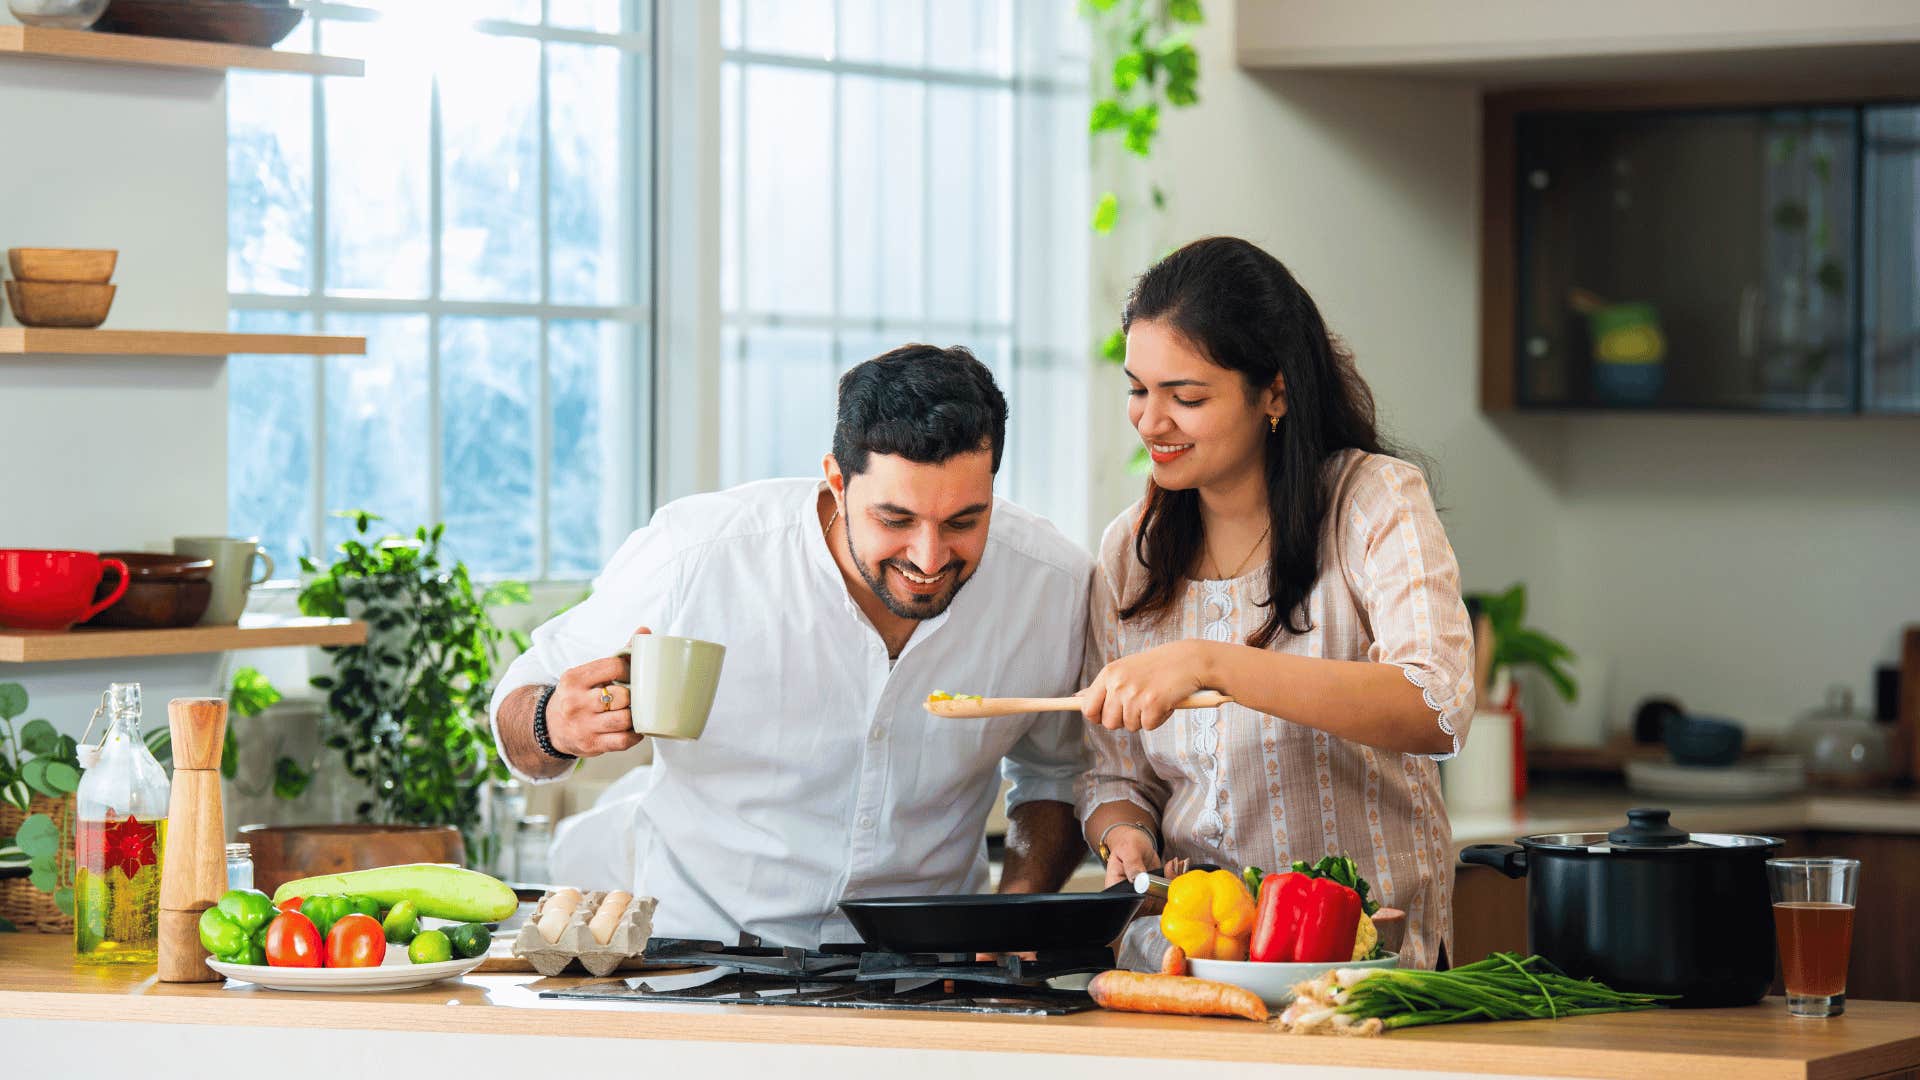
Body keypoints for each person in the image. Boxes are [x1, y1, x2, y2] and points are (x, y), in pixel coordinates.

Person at [489, 344, 1091, 948]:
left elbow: (1057, 777)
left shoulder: (1052, 585)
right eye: (894, 519)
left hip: (929, 965)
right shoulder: (697, 553)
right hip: (698, 953)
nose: (928, 558)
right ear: (836, 479)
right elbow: (518, 712)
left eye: (964, 521)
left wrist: (1013, 918)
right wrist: (553, 725)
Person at [1076, 237, 1474, 969]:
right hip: (1194, 961)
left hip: (1367, 964)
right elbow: (1115, 773)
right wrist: (1122, 831)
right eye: (1138, 389)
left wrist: (1210, 664)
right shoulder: (1128, 552)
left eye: (1186, 397)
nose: (1150, 421)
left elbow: (1436, 704)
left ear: (1277, 392)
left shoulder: (1372, 501)